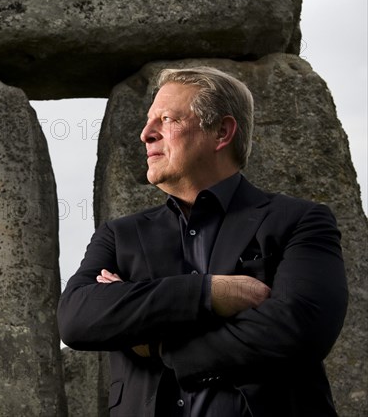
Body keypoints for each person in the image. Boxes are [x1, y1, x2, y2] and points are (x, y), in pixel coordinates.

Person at [57, 66, 348, 417]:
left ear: (221, 132)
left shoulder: (300, 220)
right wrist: (210, 293)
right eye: (150, 121)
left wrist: (159, 343)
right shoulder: (119, 235)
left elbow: (300, 328)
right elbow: (77, 318)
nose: (145, 134)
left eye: (166, 119)